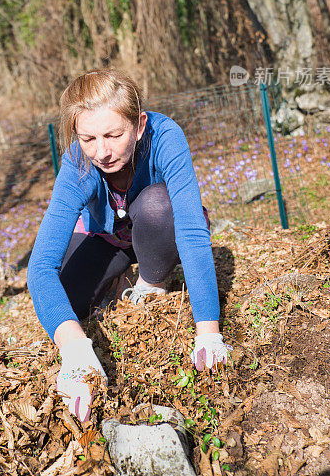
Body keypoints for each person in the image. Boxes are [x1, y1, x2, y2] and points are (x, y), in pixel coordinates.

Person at [27, 69, 230, 421]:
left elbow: (193, 232)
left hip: (158, 226)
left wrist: (209, 332)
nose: (101, 152)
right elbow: (41, 266)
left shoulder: (165, 137)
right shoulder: (78, 163)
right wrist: (74, 351)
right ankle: (117, 279)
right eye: (88, 139)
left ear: (138, 125)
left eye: (113, 135)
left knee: (156, 207)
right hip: (109, 238)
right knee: (68, 299)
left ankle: (151, 280)